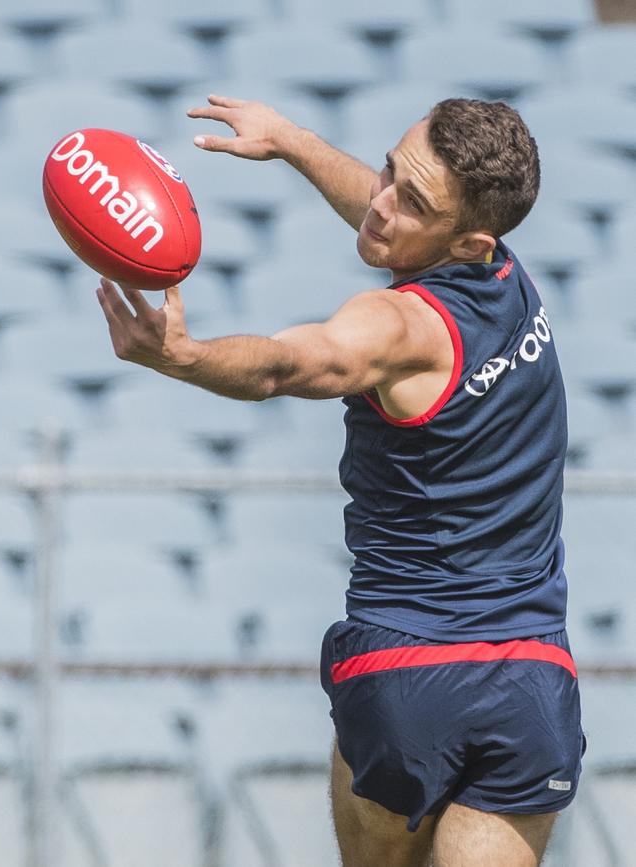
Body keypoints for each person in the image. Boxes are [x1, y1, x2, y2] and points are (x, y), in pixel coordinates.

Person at [97, 95, 585, 867]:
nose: (384, 201)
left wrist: (186, 357)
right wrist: (293, 141)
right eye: (392, 168)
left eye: (412, 199)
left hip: (407, 674)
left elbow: (301, 361)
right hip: (530, 677)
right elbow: (384, 212)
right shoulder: (502, 268)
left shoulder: (400, 327)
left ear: (467, 239)